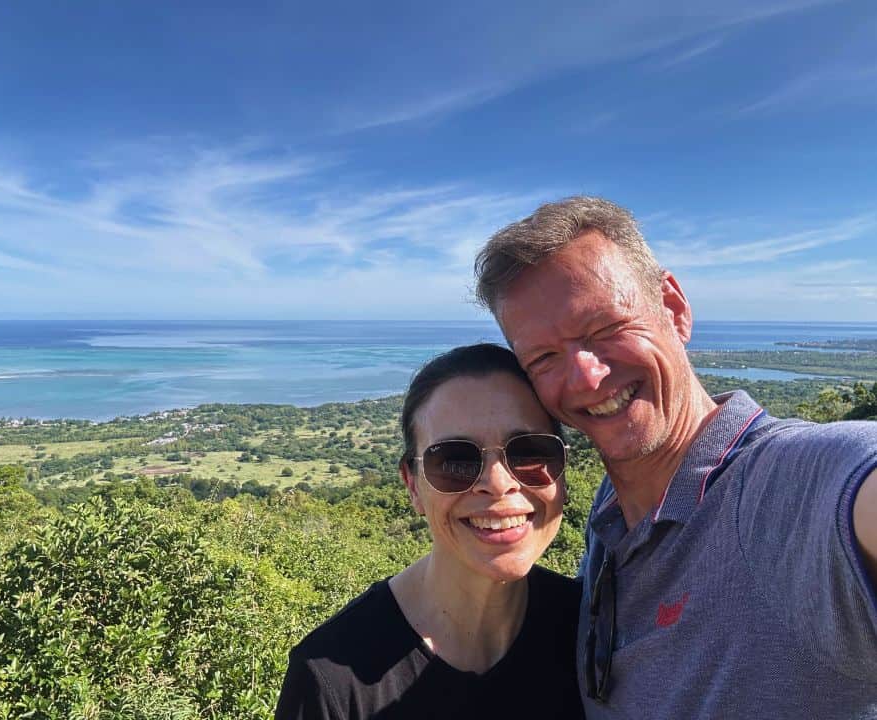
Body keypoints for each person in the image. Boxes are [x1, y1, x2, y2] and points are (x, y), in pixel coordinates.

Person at [474, 196, 877, 719]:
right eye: (545, 357)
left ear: (674, 308)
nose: (587, 377)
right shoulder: (610, 516)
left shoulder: (794, 486)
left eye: (604, 329)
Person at [275, 343, 585, 719]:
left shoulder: (594, 633)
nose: (498, 483)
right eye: (455, 460)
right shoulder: (334, 681)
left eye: (529, 452)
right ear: (412, 486)